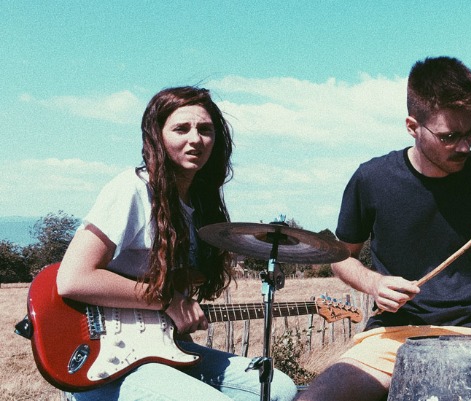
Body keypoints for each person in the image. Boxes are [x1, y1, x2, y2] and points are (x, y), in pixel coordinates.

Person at [296, 56, 471, 401]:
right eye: (450, 136)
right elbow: (340, 258)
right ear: (412, 126)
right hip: (389, 337)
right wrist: (375, 283)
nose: (465, 146)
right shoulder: (372, 178)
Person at [55, 86, 298, 400]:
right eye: (181, 129)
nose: (195, 139)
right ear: (157, 136)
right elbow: (73, 278)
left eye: (205, 130)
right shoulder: (133, 189)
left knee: (280, 390)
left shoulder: (200, 205)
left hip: (159, 351)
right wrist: (168, 300)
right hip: (106, 361)